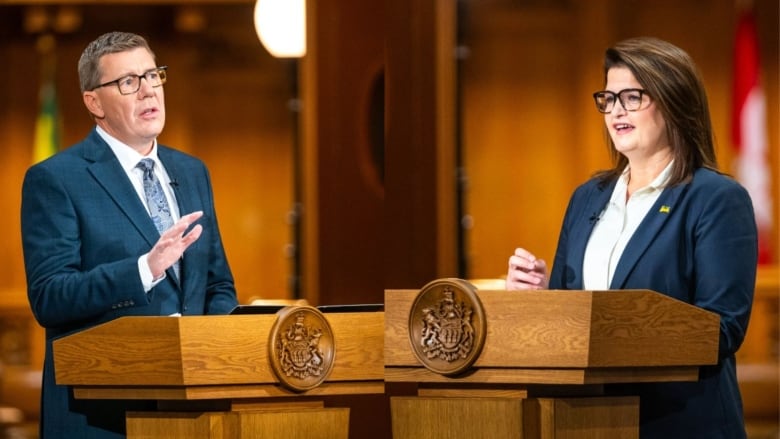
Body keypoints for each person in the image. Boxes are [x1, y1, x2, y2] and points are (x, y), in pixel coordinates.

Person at [506, 37, 757, 438]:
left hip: (681, 423)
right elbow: (574, 321)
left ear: (674, 100)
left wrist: (618, 328)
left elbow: (722, 329)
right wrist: (542, 299)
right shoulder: (588, 197)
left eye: (632, 97)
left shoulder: (716, 199)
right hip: (591, 423)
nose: (616, 111)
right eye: (608, 98)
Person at [21, 31, 239, 438]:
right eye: (127, 82)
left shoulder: (192, 172)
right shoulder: (55, 179)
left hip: (194, 413)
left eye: (153, 76)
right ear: (94, 102)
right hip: (100, 417)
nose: (147, 91)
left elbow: (218, 283)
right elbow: (50, 297)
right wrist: (143, 269)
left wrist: (214, 347)